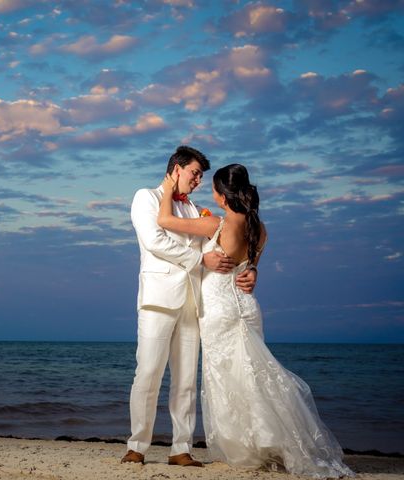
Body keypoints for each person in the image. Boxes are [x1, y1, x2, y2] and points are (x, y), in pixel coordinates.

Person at [157, 164, 354, 478]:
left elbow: (164, 221)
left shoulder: (216, 224)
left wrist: (167, 191)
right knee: (252, 370)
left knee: (227, 375)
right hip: (247, 306)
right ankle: (270, 439)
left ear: (222, 196)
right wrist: (255, 272)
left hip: (220, 306)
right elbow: (250, 267)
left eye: (214, 190)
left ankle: (252, 444)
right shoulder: (260, 228)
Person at [122, 147, 257, 466]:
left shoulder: (196, 210)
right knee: (148, 374)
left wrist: (249, 270)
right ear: (176, 169)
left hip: (194, 301)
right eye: (195, 173)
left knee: (186, 379)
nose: (198, 180)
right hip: (158, 299)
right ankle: (137, 446)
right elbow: (155, 240)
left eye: (200, 176)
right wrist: (199, 259)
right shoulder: (146, 197)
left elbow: (221, 248)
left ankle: (181, 448)